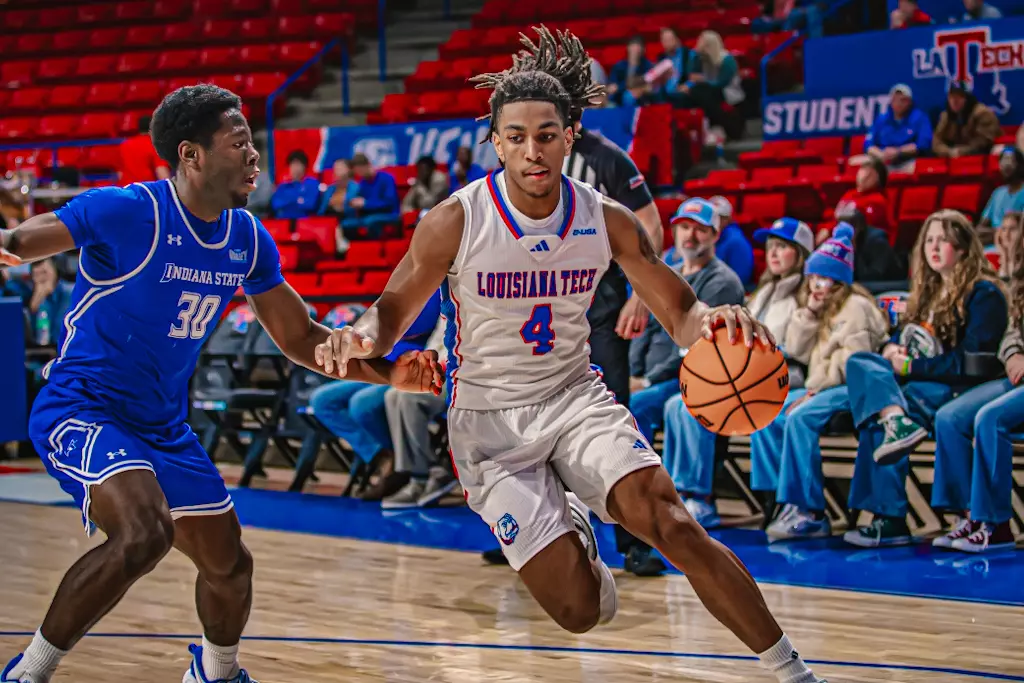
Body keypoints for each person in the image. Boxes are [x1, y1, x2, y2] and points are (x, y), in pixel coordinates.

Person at [315, 28, 826, 683]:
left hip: (574, 397)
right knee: (581, 610)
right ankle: (574, 523)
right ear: (496, 141)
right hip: (489, 424)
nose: (533, 150)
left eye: (547, 134)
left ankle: (793, 671)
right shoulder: (455, 219)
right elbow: (389, 312)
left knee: (673, 523)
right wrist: (361, 336)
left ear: (570, 136)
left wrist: (714, 319)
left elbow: (681, 312)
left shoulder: (605, 217)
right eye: (517, 137)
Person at [0, 84, 442, 683]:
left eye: (253, 144)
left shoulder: (246, 238)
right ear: (191, 155)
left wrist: (392, 374)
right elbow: (22, 241)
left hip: (162, 427)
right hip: (83, 409)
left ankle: (216, 674)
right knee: (144, 532)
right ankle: (28, 672)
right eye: (239, 144)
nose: (254, 156)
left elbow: (300, 337)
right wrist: (7, 242)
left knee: (230, 566)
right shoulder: (128, 210)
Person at [480, 26, 668, 577]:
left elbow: (650, 224)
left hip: (598, 309)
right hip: (532, 316)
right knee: (525, 429)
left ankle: (637, 542)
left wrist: (639, 294)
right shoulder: (516, 167)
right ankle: (535, 533)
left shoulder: (607, 160)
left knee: (615, 424)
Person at [842, 209, 1007, 547]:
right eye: (929, 240)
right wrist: (890, 348)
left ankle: (904, 513)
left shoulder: (983, 293)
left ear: (962, 247)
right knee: (861, 363)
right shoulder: (926, 294)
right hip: (918, 385)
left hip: (958, 387)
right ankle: (889, 518)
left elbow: (968, 363)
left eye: (943, 240)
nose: (933, 247)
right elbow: (904, 338)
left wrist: (910, 368)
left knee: (878, 414)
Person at [756, 226, 891, 540]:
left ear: (839, 280)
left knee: (800, 417)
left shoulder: (855, 307)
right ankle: (779, 500)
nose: (816, 285)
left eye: (824, 278)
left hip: (852, 390)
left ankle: (810, 510)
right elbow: (798, 350)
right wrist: (808, 315)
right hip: (822, 387)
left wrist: (816, 391)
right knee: (767, 414)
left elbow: (856, 364)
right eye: (813, 277)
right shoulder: (823, 308)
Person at [929, 215, 1021, 553]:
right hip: (1016, 375)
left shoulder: (985, 290)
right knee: (949, 416)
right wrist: (1013, 353)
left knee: (990, 419)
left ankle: (996, 525)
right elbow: (1013, 330)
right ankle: (968, 516)